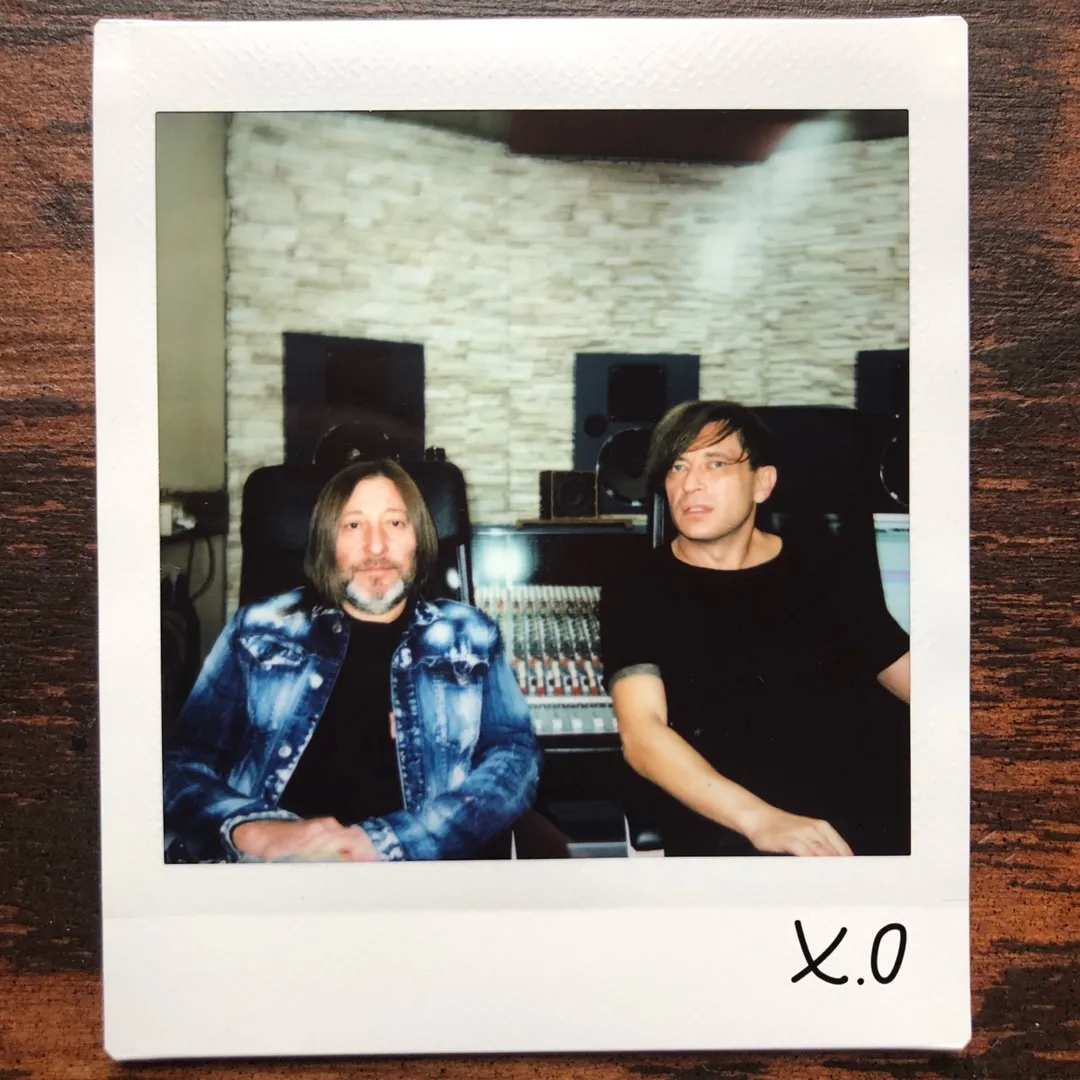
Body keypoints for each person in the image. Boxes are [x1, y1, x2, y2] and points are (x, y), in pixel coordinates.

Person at [163, 460, 541, 863]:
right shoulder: (257, 629)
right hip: (275, 875)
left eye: (395, 523)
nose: (376, 547)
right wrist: (254, 829)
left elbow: (515, 760)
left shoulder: (472, 636)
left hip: (415, 873)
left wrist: (391, 842)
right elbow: (181, 764)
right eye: (354, 525)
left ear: (419, 537)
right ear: (327, 542)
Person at [600, 401, 910, 857]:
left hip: (861, 820)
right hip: (732, 828)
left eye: (716, 463)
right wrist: (760, 821)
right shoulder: (637, 586)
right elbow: (642, 734)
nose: (689, 483)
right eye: (677, 466)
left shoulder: (824, 570)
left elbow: (915, 680)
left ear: (762, 483)